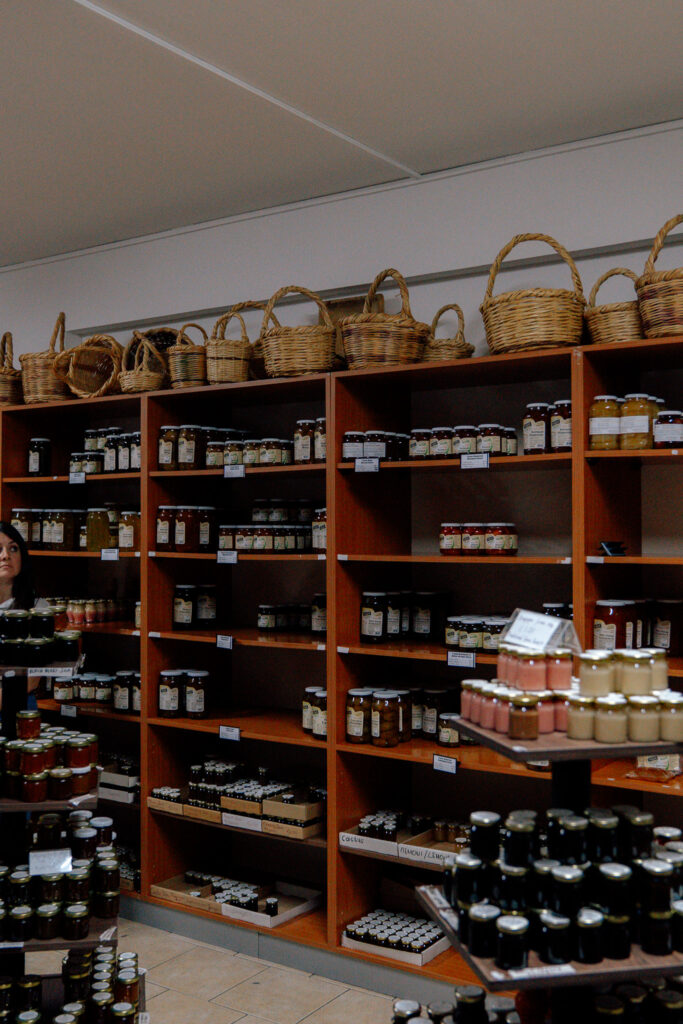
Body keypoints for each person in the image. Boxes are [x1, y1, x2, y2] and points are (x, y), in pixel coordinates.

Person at [0, 521, 37, 713]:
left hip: (18, 708)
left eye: (13, 548)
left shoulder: (38, 609)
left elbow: (31, 679)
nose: (6, 555)